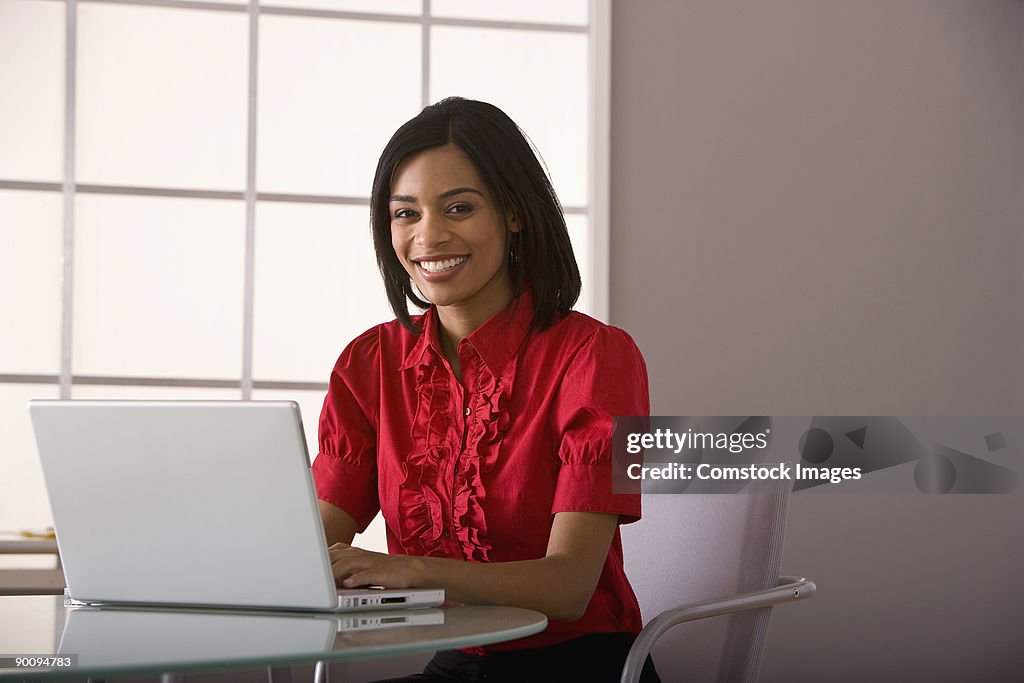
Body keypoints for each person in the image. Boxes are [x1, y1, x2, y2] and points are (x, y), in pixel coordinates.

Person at [313, 97, 659, 682]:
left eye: (459, 207)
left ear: (514, 212)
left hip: (581, 669)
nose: (429, 235)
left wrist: (413, 571)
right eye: (405, 214)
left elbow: (569, 586)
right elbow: (311, 545)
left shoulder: (596, 358)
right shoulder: (369, 364)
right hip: (454, 666)